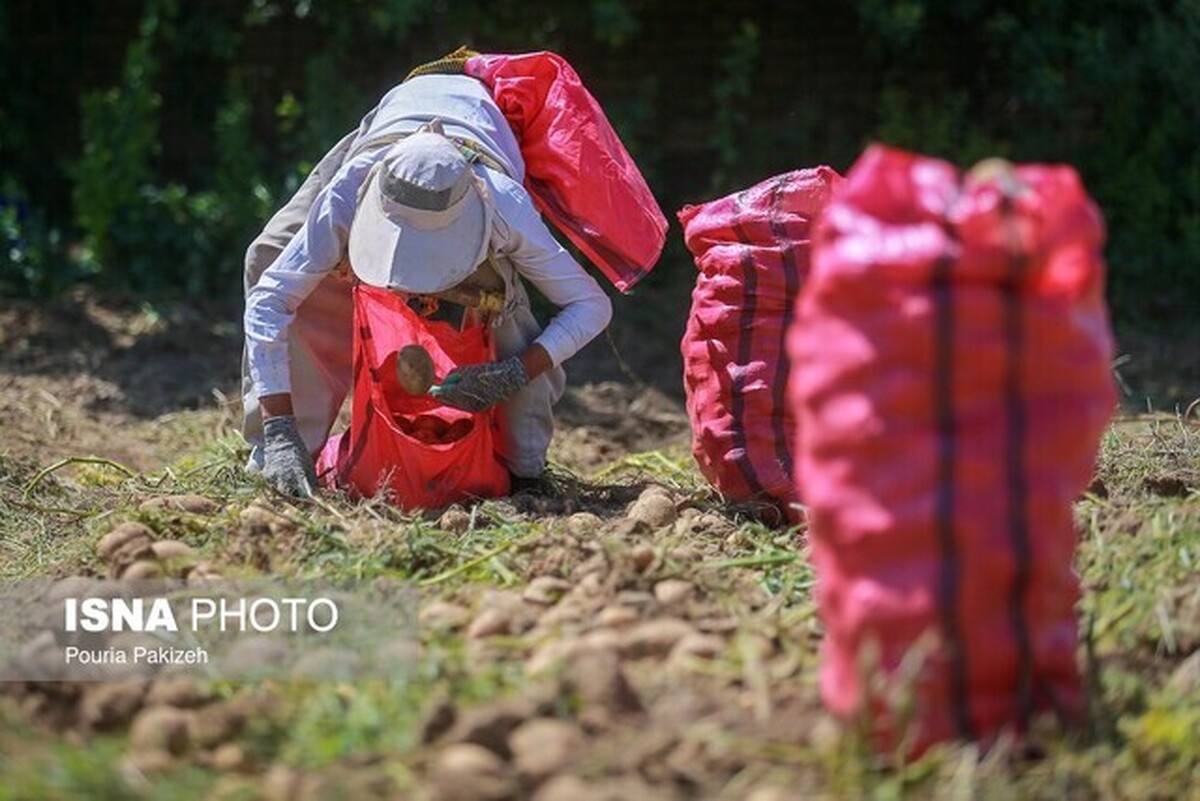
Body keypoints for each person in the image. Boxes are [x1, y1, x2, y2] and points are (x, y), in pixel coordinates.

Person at [241, 72, 613, 497]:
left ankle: (522, 465)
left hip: (477, 141)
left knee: (504, 315)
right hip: (388, 128)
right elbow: (271, 299)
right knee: (269, 255)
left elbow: (590, 305)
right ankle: (280, 459)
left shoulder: (502, 203)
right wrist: (281, 428)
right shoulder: (352, 187)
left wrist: (514, 372)